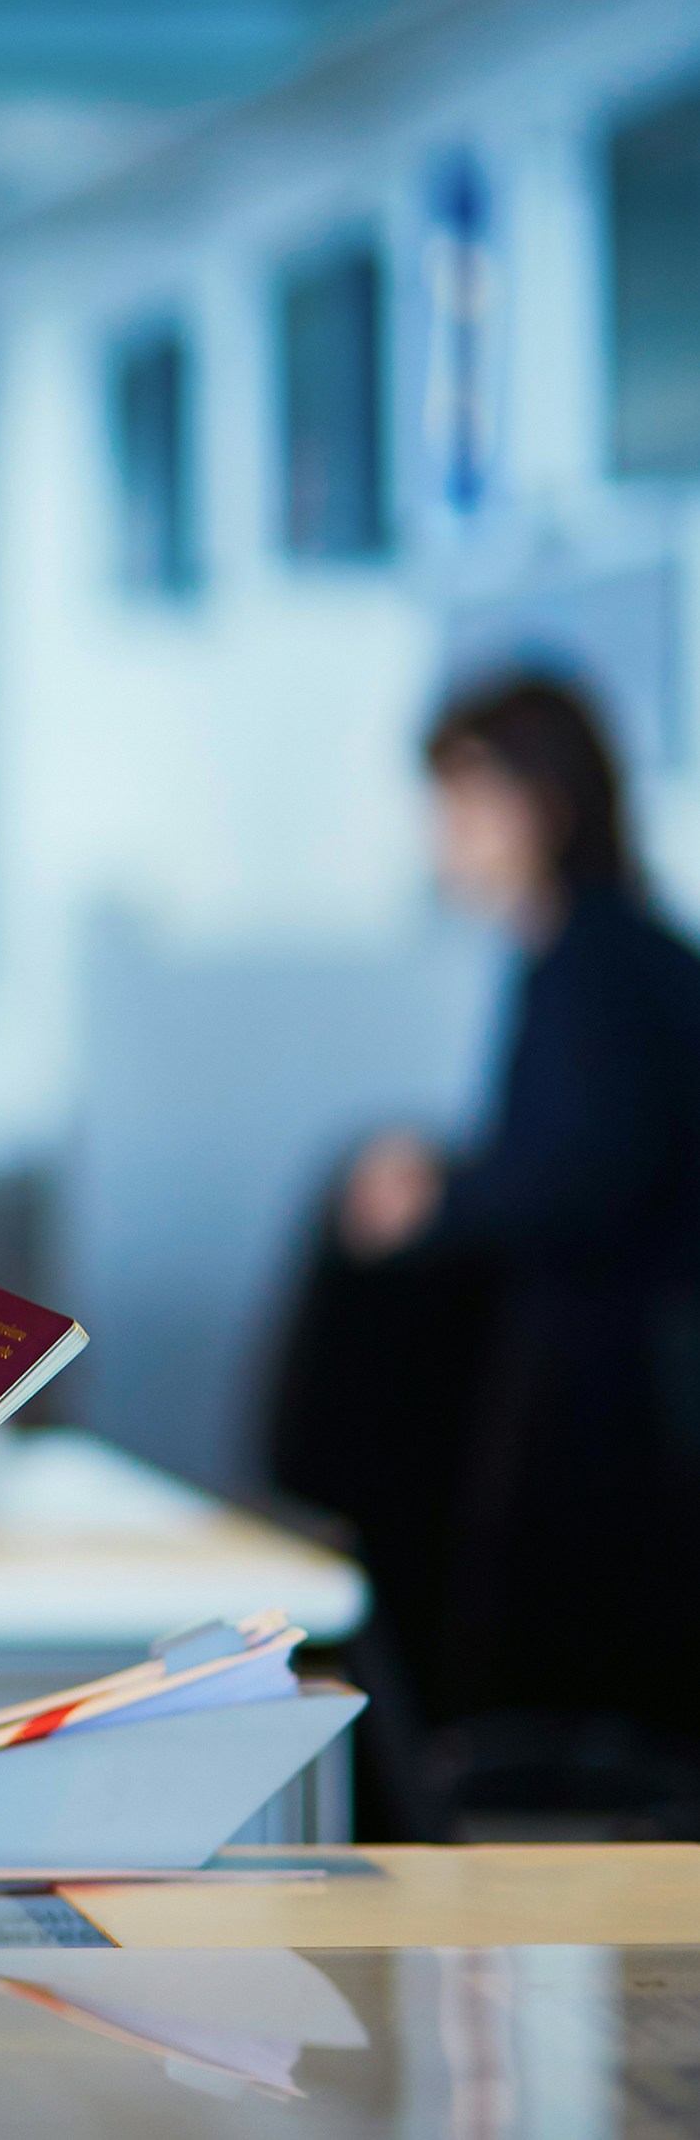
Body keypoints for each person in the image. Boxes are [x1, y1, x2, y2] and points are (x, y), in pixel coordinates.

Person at [334, 672, 700, 1765]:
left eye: (464, 800)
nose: (444, 835)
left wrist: (440, 1196)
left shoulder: (595, 958)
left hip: (619, 1382)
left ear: (544, 801)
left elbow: (586, 1169)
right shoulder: (589, 949)